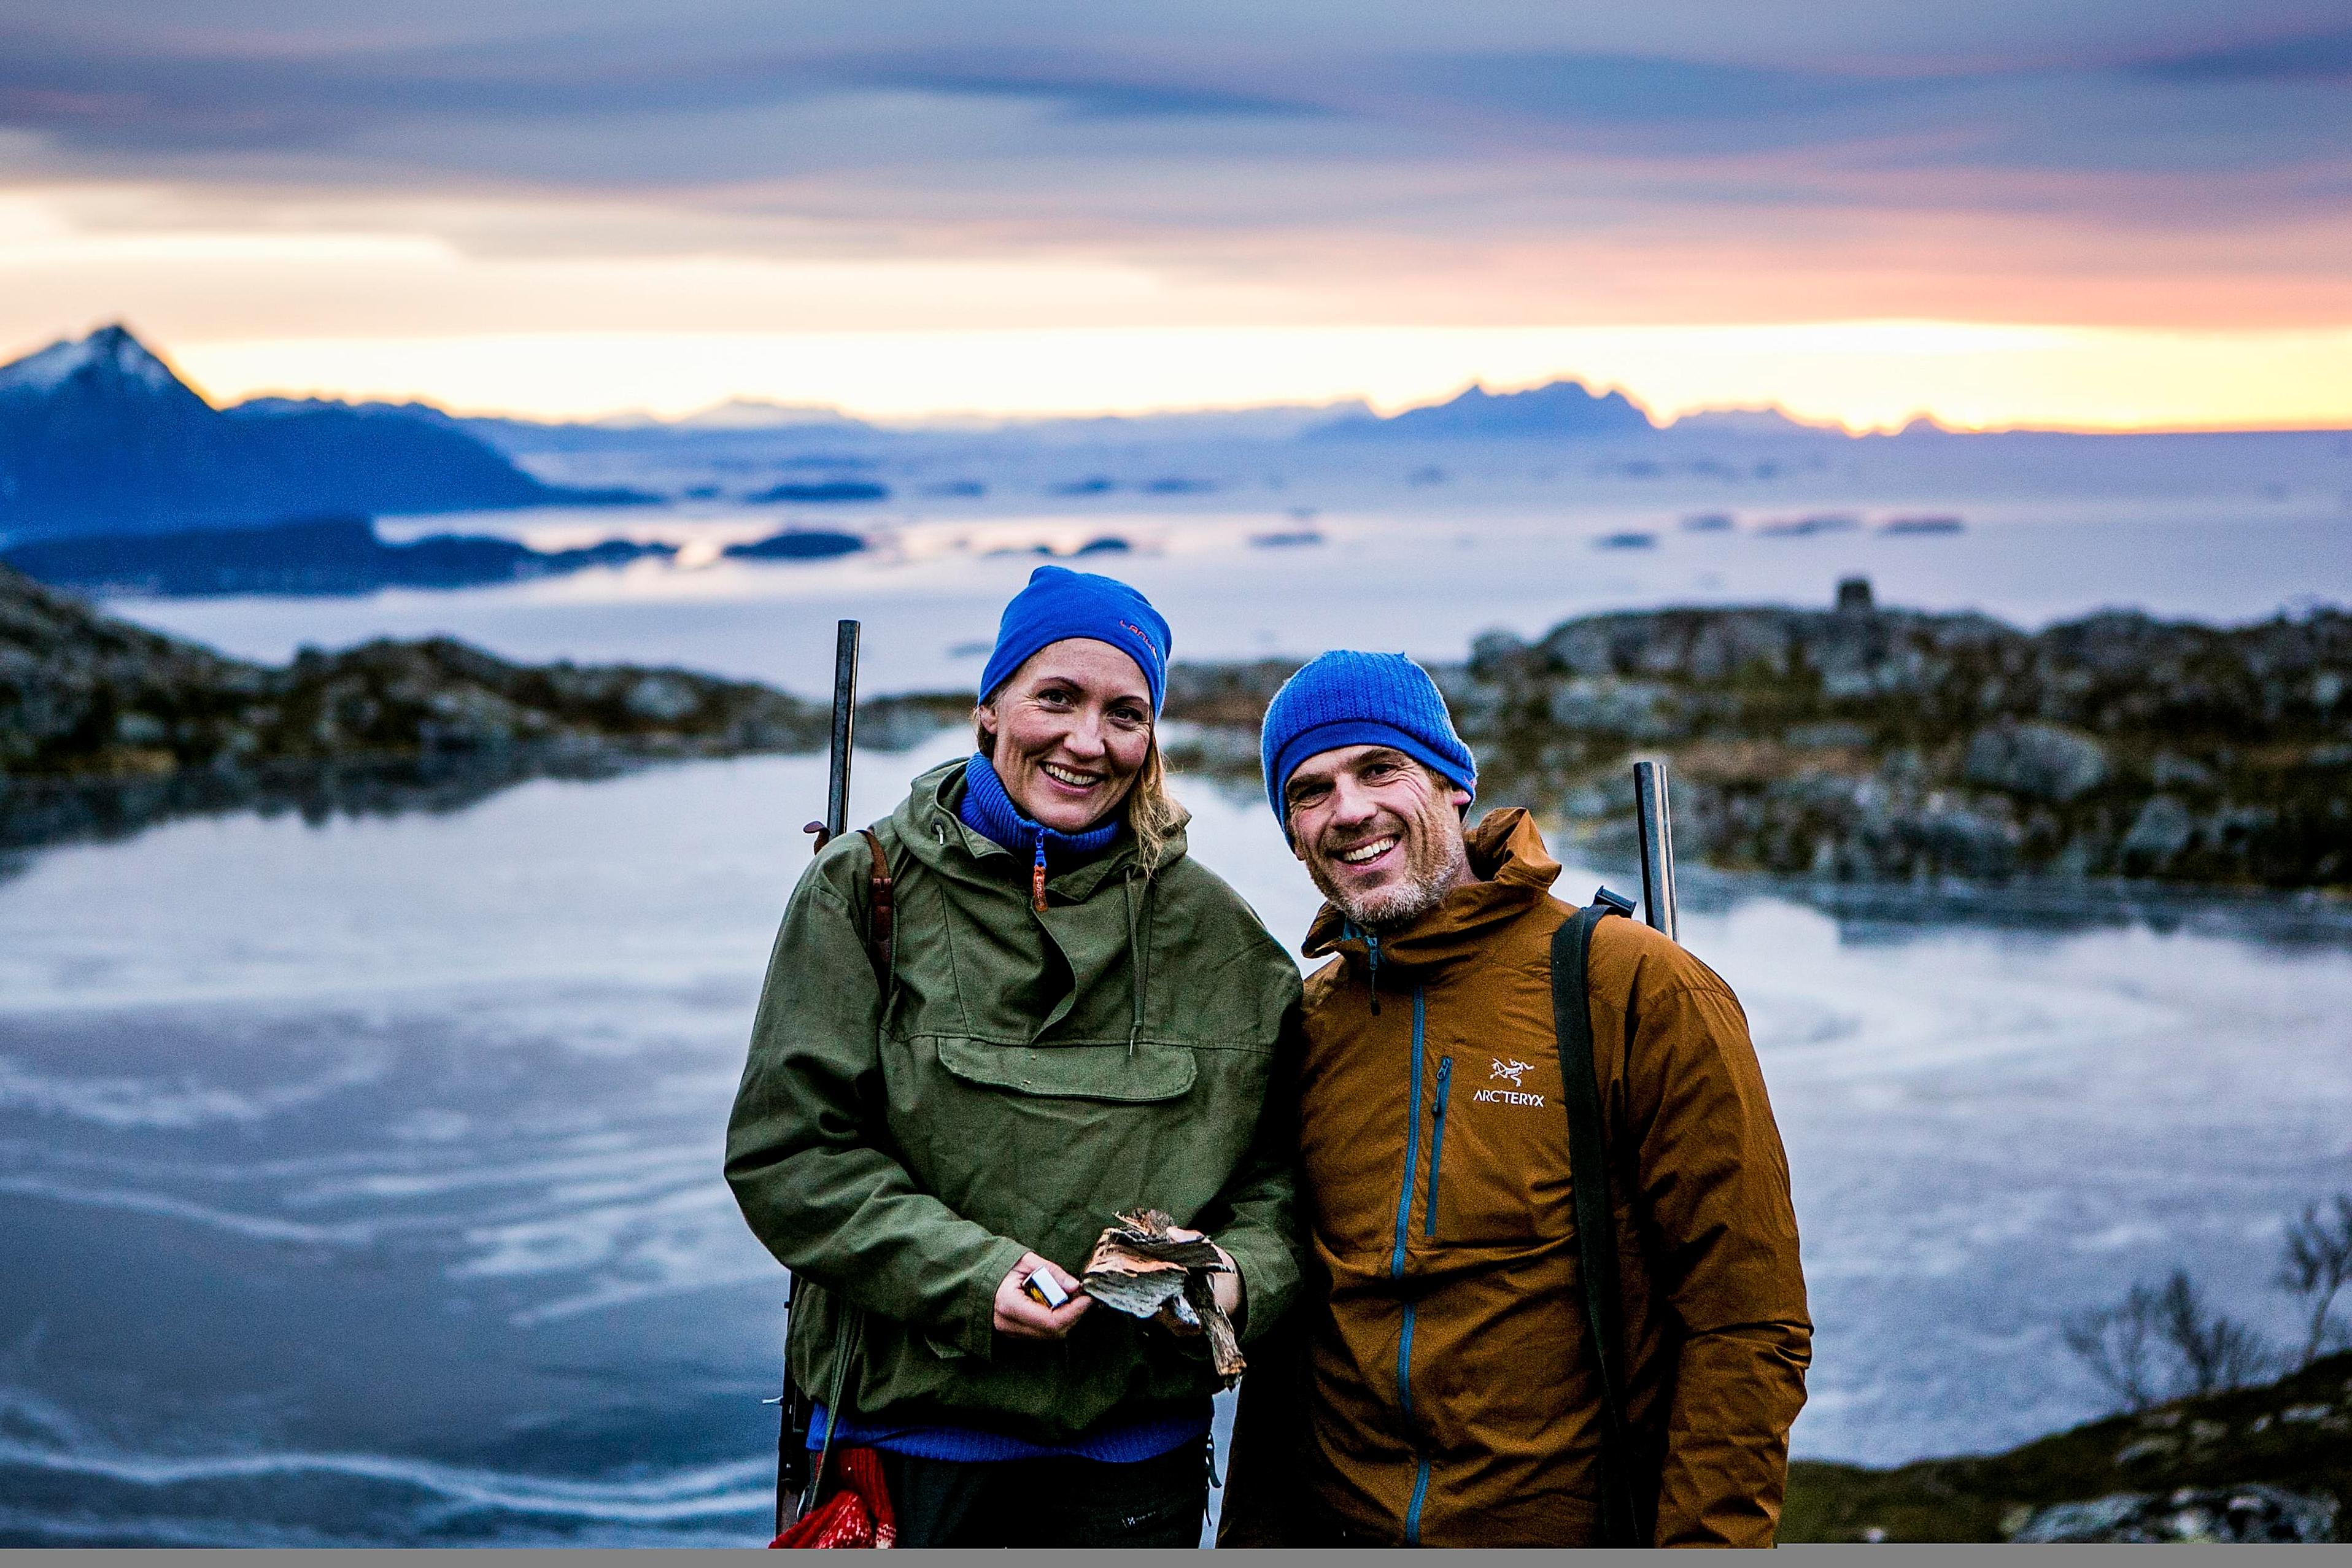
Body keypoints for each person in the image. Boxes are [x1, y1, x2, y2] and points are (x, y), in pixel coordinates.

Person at [725, 566, 1304, 1548]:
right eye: (1056, 698)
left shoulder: (1220, 937)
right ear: (988, 710)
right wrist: (972, 1275)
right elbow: (791, 1157)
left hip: (1134, 1462)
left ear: (1151, 738)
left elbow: (1287, 1185)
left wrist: (1227, 1278)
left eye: (1126, 713)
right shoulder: (863, 890)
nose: (1088, 741)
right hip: (905, 1449)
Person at [1220, 649, 1811, 1548]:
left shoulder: (1635, 989)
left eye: (1381, 768)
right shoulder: (1308, 1025)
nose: (1350, 811)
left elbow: (1746, 1327)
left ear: (1453, 783)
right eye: (1309, 791)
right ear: (1293, 832)